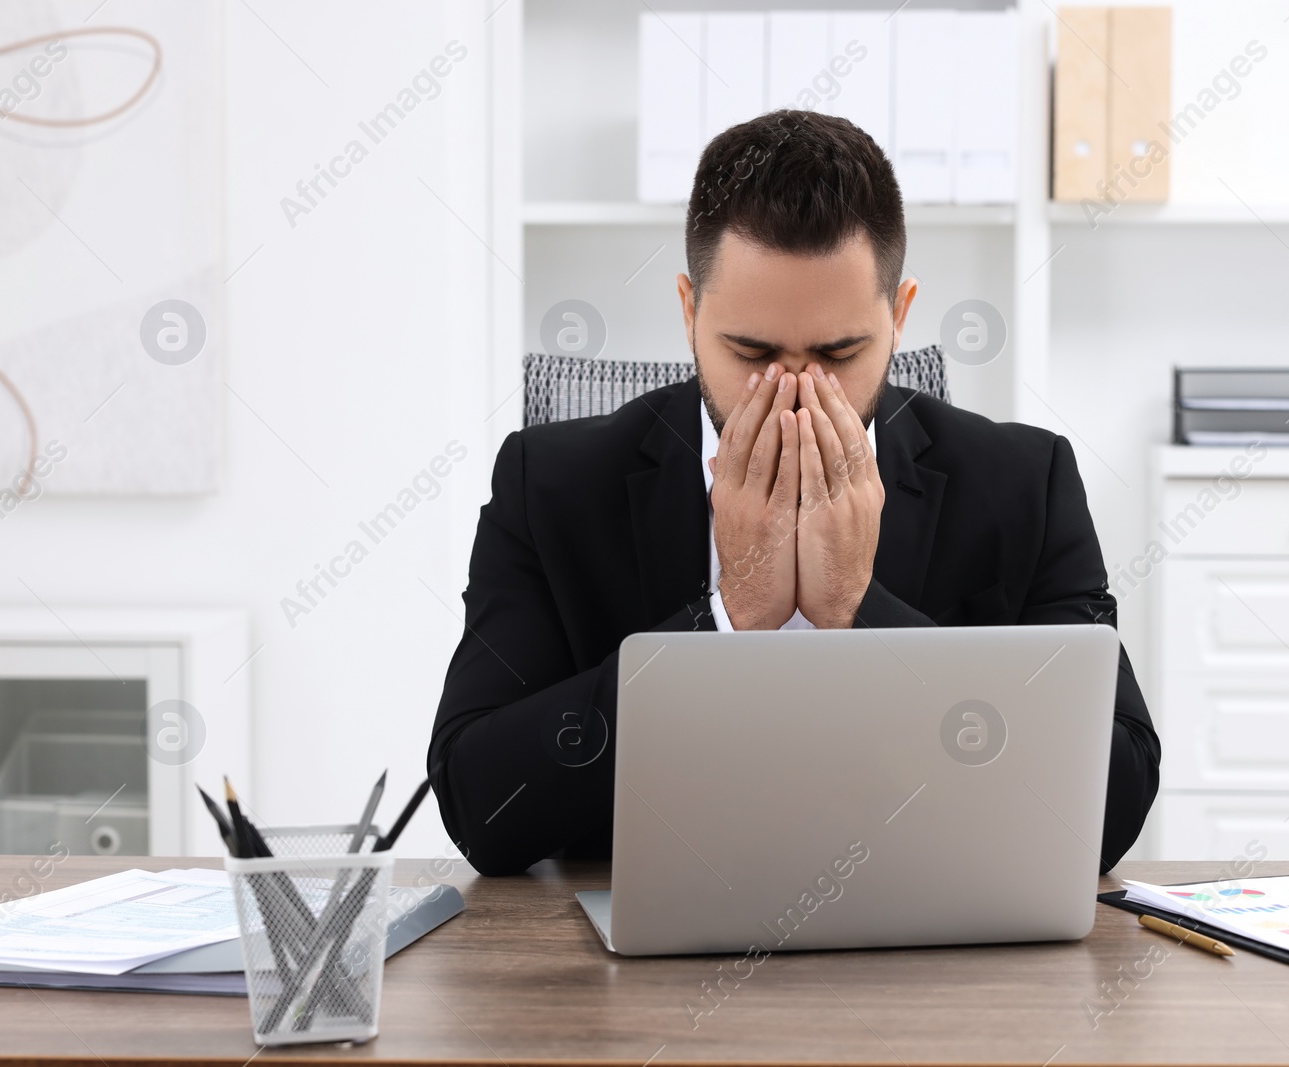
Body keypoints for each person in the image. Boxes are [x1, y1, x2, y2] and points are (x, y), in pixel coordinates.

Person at [429, 110, 1159, 875]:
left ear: (900, 316)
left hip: (938, 942)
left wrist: (860, 611)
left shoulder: (1023, 483)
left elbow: (1111, 806)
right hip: (645, 960)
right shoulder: (548, 483)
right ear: (688, 312)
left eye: (840, 351)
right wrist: (723, 620)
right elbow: (481, 807)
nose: (797, 392)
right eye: (751, 350)